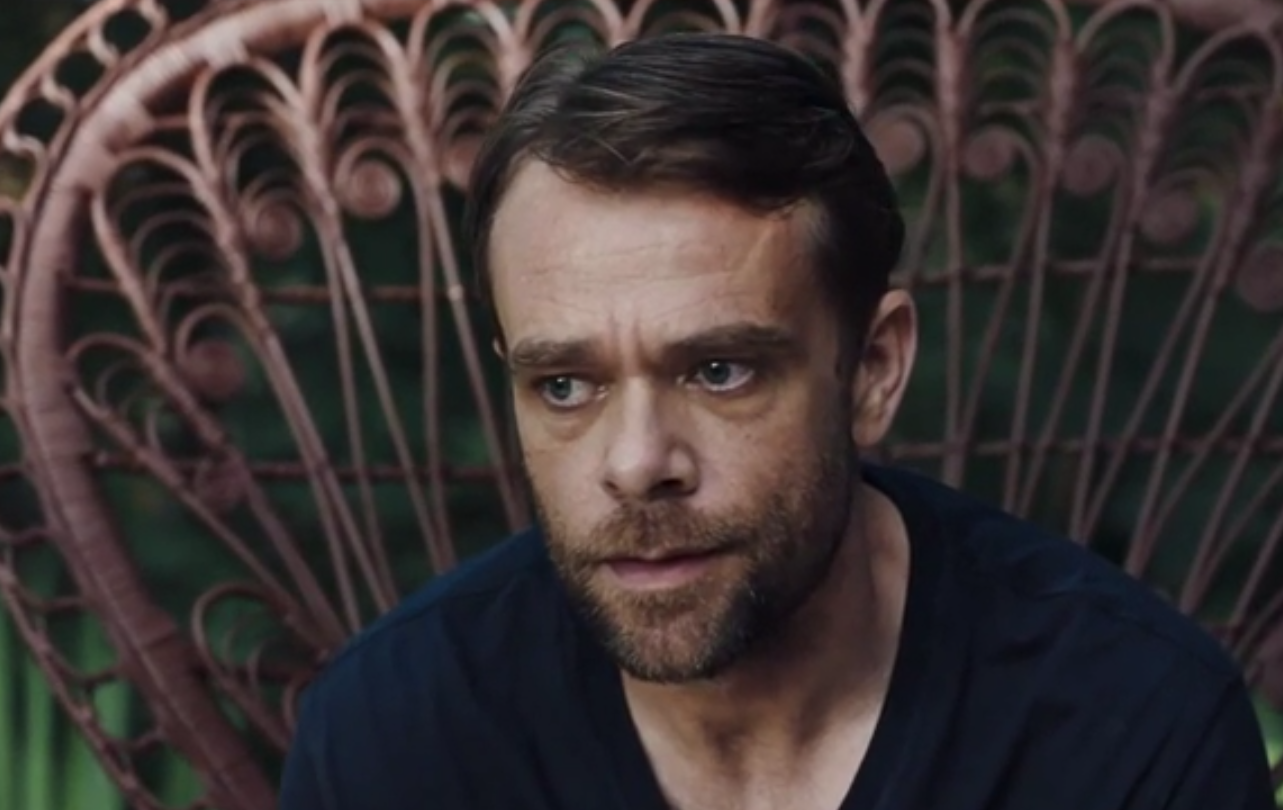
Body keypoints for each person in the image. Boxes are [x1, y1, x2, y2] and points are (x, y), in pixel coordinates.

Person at [278, 32, 1276, 810]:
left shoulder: (1129, 732)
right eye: (566, 386)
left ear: (871, 369)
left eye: (719, 371)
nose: (637, 463)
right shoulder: (394, 743)